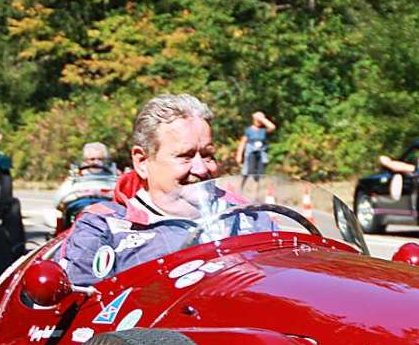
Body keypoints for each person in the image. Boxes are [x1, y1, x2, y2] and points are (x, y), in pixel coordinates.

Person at [61, 93, 229, 285]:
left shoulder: (247, 215)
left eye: (208, 155)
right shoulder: (103, 229)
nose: (201, 169)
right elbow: (84, 308)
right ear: (142, 161)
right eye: (185, 156)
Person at [235, 111, 276, 191]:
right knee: (248, 171)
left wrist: (262, 118)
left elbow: (272, 127)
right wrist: (239, 155)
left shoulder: (263, 131)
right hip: (251, 153)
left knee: (259, 174)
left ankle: (255, 192)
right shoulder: (249, 130)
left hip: (260, 154)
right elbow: (243, 143)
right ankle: (241, 189)